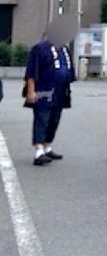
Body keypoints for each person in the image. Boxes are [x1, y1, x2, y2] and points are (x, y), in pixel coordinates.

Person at [24, 34, 75, 165]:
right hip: (43, 89)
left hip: (60, 91)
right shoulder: (40, 48)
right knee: (42, 119)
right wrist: (31, 91)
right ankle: (39, 151)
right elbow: (31, 71)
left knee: (54, 119)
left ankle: (47, 147)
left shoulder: (64, 49)